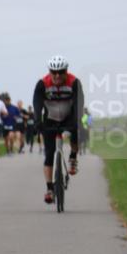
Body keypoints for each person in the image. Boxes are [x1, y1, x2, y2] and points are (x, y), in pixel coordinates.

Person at [33, 55, 84, 204]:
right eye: (53, 72)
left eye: (60, 72)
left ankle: (73, 156)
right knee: (49, 155)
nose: (57, 75)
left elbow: (78, 104)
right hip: (50, 119)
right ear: (49, 71)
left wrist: (76, 121)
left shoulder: (74, 82)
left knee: (75, 130)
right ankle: (49, 189)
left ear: (66, 71)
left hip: (69, 116)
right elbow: (37, 104)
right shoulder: (42, 84)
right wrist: (37, 121)